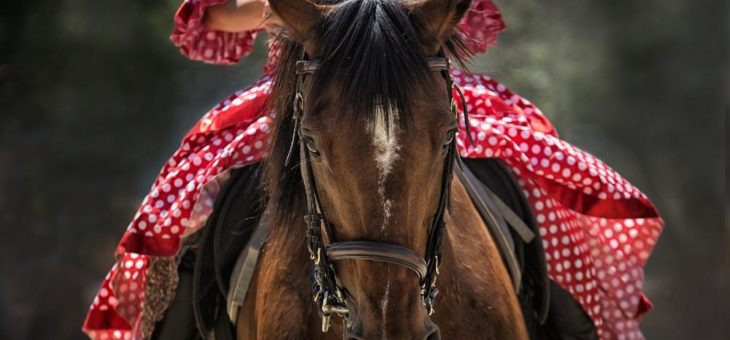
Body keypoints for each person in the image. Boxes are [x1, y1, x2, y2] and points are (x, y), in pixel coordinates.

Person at [82, 1, 664, 339]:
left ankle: (573, 322)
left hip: (410, 78)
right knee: (193, 209)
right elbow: (220, 16)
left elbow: (460, 12)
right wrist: (281, 9)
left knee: (538, 180)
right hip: (312, 88)